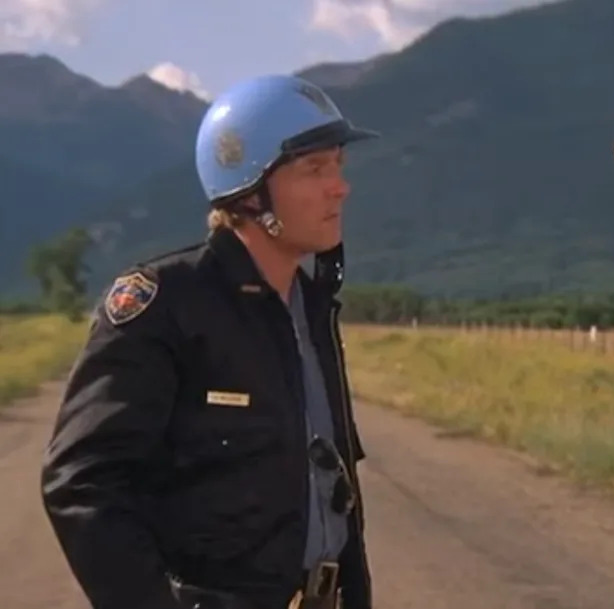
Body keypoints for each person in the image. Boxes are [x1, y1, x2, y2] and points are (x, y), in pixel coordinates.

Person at [40, 74, 379, 609]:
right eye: (315, 168)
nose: (340, 186)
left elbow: (334, 494)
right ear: (250, 191)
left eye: (338, 164)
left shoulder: (312, 308)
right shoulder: (166, 305)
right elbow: (83, 484)